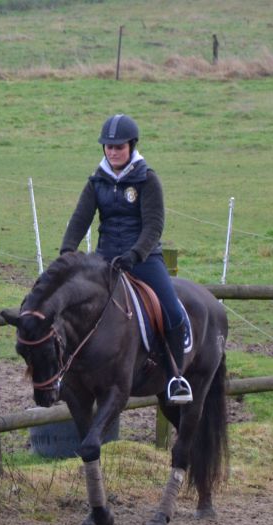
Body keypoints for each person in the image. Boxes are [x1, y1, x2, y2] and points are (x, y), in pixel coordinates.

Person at [59, 113, 193, 404]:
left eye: (119, 147)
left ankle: (176, 377)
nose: (113, 152)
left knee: (172, 310)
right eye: (109, 147)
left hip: (143, 259)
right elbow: (80, 218)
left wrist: (136, 254)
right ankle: (66, 373)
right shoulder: (97, 180)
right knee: (75, 306)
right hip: (105, 259)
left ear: (132, 145)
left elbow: (154, 225)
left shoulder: (147, 179)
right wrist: (67, 251)